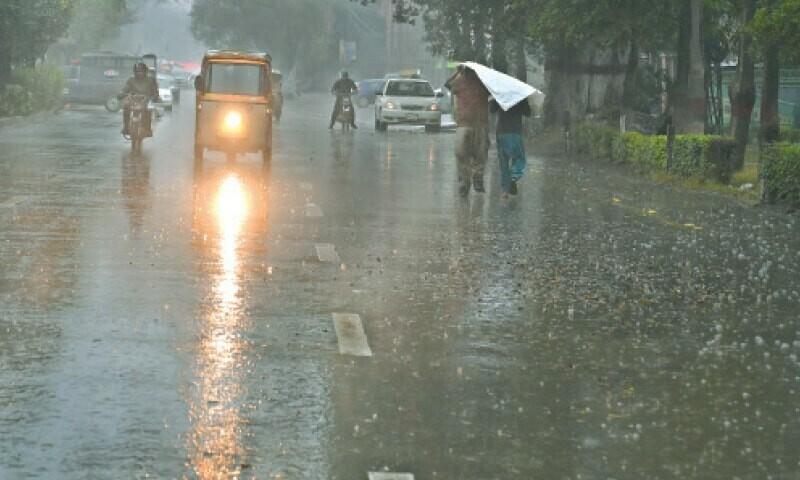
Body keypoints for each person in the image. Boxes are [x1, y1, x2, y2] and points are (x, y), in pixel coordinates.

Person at [445, 65, 490, 196]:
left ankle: (477, 179)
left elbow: (494, 91)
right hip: (464, 123)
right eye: (468, 71)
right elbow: (447, 84)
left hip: (480, 123)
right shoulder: (459, 81)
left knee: (480, 154)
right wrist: (457, 72)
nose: (470, 74)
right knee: (461, 153)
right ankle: (465, 182)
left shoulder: (484, 83)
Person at [491, 98, 531, 197]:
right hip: (515, 132)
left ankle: (505, 190)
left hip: (501, 132)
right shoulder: (520, 95)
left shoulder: (500, 94)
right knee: (519, 158)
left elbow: (492, 110)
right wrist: (524, 101)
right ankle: (513, 177)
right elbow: (528, 113)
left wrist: (495, 98)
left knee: (503, 162)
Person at [118, 62, 159, 136]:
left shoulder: (151, 80)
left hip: (146, 100)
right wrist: (121, 94)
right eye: (137, 71)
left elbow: (155, 91)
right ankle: (126, 127)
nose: (139, 73)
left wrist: (155, 97)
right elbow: (125, 89)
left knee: (149, 110)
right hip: (133, 100)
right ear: (134, 72)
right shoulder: (131, 80)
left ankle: (147, 129)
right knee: (126, 106)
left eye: (141, 71)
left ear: (145, 71)